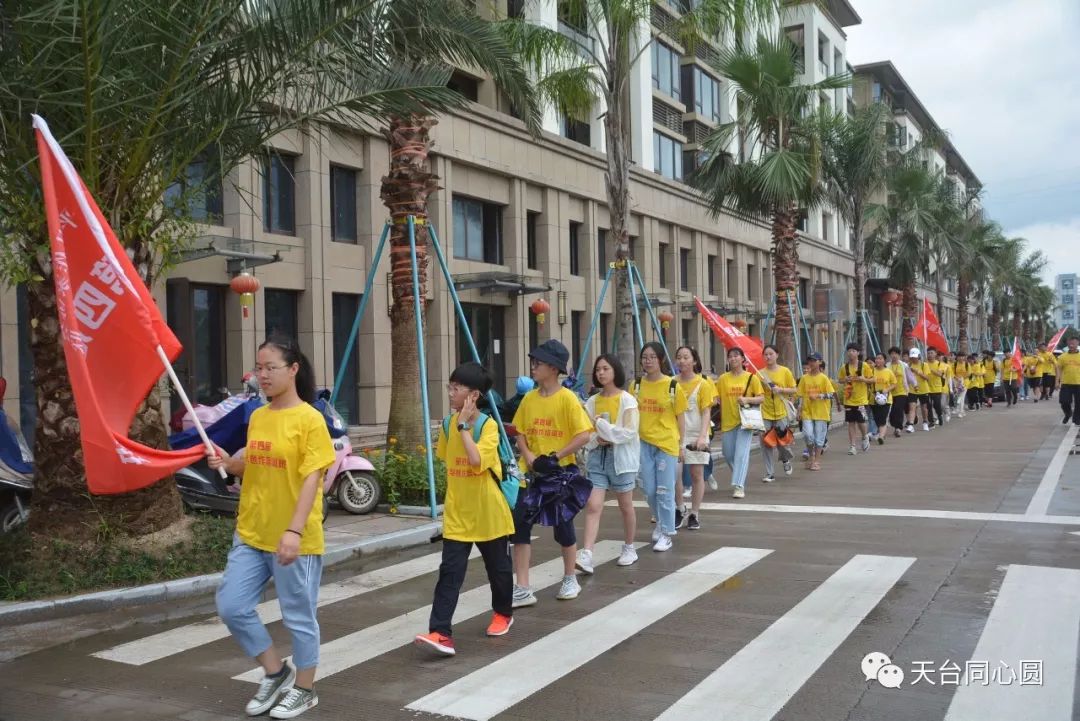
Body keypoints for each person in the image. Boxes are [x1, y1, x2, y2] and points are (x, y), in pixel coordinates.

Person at [209, 336, 335, 719]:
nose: (261, 375)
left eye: (270, 368)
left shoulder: (311, 420)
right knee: (231, 606)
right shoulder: (259, 416)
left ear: (293, 369)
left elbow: (313, 478)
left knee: (298, 617)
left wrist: (294, 531)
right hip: (251, 531)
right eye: (258, 368)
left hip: (293, 538)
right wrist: (228, 463)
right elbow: (255, 463)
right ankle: (275, 671)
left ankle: (305, 689)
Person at [414, 362, 515, 658]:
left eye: (456, 388)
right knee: (450, 573)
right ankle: (441, 632)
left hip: (488, 512)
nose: (450, 392)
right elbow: (448, 458)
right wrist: (456, 425)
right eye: (450, 386)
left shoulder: (488, 426)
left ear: (474, 395)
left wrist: (464, 426)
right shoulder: (447, 424)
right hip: (459, 513)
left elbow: (474, 461)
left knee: (498, 570)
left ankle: (503, 613)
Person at [510, 339, 593, 607]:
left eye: (539, 363)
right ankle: (522, 586)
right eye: (534, 361)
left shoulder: (567, 399)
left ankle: (570, 577)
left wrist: (555, 456)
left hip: (559, 474)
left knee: (563, 526)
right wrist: (529, 456)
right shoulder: (530, 399)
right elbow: (519, 431)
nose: (533, 366)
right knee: (520, 526)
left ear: (554, 368)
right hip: (531, 473)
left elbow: (583, 434)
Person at [578, 354, 640, 573]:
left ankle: (629, 547)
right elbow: (587, 432)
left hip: (621, 459)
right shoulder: (592, 402)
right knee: (593, 505)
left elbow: (630, 432)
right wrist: (599, 437)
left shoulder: (627, 400)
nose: (601, 373)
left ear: (615, 371)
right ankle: (586, 554)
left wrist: (605, 429)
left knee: (626, 506)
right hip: (597, 457)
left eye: (605, 369)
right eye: (597, 370)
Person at [633, 341, 688, 551]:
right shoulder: (636, 385)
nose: (648, 361)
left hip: (666, 444)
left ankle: (666, 532)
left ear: (661, 360)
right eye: (644, 357)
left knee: (665, 490)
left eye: (652, 357)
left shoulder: (673, 386)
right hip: (643, 442)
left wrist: (681, 445)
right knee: (648, 489)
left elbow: (680, 417)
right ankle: (660, 519)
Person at [673, 346, 716, 530]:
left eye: (686, 357)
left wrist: (701, 437)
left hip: (697, 433)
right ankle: (680, 508)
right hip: (675, 435)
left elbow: (706, 412)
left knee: (696, 474)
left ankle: (695, 513)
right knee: (675, 475)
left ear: (694, 361)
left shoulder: (703, 384)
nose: (682, 361)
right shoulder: (671, 383)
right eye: (679, 357)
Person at [714, 347, 764, 498]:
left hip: (745, 422)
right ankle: (739, 474)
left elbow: (761, 398)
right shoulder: (723, 379)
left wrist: (747, 399)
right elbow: (716, 397)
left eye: (736, 356)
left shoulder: (751, 378)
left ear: (743, 359)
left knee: (741, 454)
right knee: (728, 454)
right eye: (730, 356)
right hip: (728, 421)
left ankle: (739, 486)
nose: (733, 358)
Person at [759, 344, 797, 482]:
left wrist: (781, 390)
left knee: (781, 441)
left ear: (777, 355)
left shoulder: (785, 371)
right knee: (766, 443)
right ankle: (769, 473)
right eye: (766, 354)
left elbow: (794, 389)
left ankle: (785, 459)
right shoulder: (760, 374)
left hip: (781, 412)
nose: (768, 356)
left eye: (771, 354)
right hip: (765, 412)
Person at [797, 352, 835, 471]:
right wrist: (799, 410)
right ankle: (811, 456)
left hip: (821, 413)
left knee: (819, 438)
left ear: (819, 362)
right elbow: (800, 395)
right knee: (808, 435)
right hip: (807, 411)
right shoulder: (804, 378)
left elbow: (831, 394)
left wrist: (819, 396)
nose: (811, 363)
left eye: (814, 360)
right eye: (810, 360)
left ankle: (816, 461)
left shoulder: (824, 378)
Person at [837, 343, 874, 454]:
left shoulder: (864, 366)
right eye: (849, 351)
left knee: (861, 422)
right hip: (849, 399)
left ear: (858, 353)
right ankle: (852, 446)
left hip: (861, 400)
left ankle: (864, 436)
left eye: (853, 351)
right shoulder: (845, 367)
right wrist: (845, 379)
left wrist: (864, 379)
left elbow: (873, 380)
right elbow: (840, 380)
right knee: (851, 422)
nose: (851, 353)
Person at [870, 353, 897, 445]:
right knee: (877, 418)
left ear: (884, 360)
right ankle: (882, 433)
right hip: (873, 399)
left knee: (883, 418)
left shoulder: (888, 372)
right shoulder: (871, 371)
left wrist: (887, 389)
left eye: (880, 358)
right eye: (877, 358)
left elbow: (894, 384)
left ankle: (881, 437)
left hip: (886, 399)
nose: (878, 360)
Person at [886, 347, 912, 437]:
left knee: (899, 409)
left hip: (902, 391)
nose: (894, 356)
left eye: (896, 354)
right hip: (890, 392)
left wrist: (915, 385)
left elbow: (910, 377)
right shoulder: (887, 365)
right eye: (892, 354)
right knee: (892, 412)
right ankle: (894, 424)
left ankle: (898, 428)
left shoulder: (904, 365)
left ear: (899, 355)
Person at [908, 347, 934, 430]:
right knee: (912, 407)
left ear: (918, 356)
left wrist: (918, 372)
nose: (913, 359)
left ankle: (925, 422)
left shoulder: (924, 365)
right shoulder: (908, 365)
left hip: (923, 389)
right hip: (912, 389)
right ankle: (911, 425)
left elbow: (927, 378)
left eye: (915, 357)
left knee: (924, 407)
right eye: (912, 357)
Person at [1057, 336, 1080, 426]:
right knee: (1064, 401)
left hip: (1078, 383)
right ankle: (1068, 413)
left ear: (1077, 343)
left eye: (1073, 343)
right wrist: (1057, 382)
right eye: (1070, 343)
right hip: (1066, 383)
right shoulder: (1063, 357)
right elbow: (1059, 370)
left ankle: (1077, 419)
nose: (1071, 345)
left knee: (1079, 403)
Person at [924, 347, 947, 427]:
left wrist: (930, 370)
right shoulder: (924, 364)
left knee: (936, 404)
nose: (930, 355)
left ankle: (939, 415)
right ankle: (931, 421)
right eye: (928, 353)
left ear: (935, 354)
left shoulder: (940, 364)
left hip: (937, 387)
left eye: (931, 353)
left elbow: (940, 374)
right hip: (927, 387)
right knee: (928, 405)